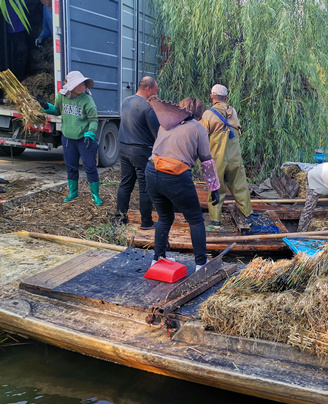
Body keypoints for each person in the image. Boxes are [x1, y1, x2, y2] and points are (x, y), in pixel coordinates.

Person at [145, 96, 220, 271]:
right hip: (174, 175)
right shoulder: (198, 128)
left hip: (151, 171)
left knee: (165, 217)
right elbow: (206, 160)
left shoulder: (165, 124)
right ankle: (201, 264)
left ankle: (157, 259)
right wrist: (214, 188)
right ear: (199, 114)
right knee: (195, 220)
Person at [36, 71, 102, 205]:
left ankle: (95, 195)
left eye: (83, 83)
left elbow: (94, 119)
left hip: (85, 139)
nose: (82, 86)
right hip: (68, 139)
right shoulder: (62, 97)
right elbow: (57, 111)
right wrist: (46, 107)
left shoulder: (87, 100)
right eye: (78, 84)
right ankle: (73, 192)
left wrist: (90, 132)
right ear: (70, 85)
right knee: (71, 166)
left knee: (89, 167)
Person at [200, 84, 255, 230]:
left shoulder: (208, 114)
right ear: (226, 97)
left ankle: (215, 222)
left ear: (212, 97)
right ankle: (248, 215)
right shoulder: (234, 112)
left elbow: (201, 136)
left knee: (215, 188)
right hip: (234, 157)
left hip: (217, 159)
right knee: (240, 186)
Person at [112, 76, 160, 229]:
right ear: (148, 89)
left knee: (126, 184)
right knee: (144, 187)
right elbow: (157, 134)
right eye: (155, 91)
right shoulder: (148, 108)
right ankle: (146, 222)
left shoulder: (126, 101)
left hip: (124, 148)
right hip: (141, 151)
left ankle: (119, 218)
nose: (156, 95)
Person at [6, 1, 28, 80]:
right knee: (14, 57)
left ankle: (19, 79)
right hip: (7, 33)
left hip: (19, 31)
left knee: (20, 56)